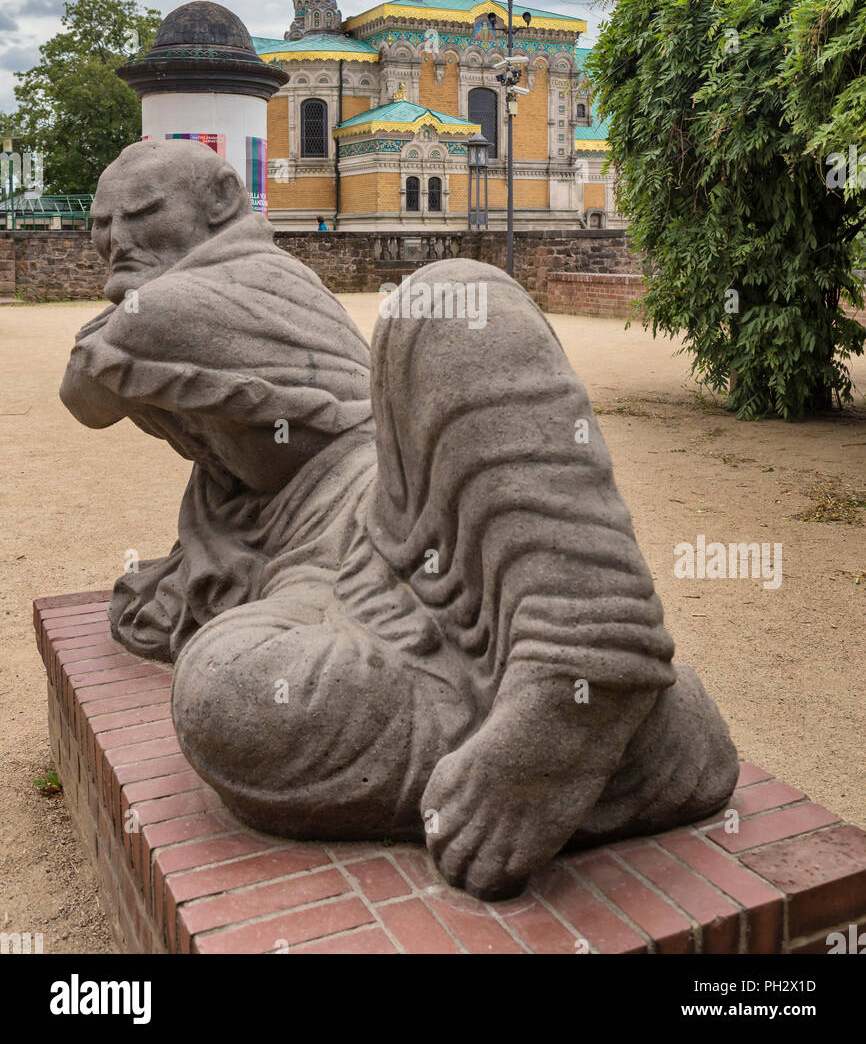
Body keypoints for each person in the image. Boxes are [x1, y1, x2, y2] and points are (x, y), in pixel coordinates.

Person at [60, 139, 739, 901]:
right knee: (224, 695)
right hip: (313, 574)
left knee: (451, 300)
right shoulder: (174, 306)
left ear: (223, 203)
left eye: (142, 214)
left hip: (389, 497)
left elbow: (86, 379)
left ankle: (585, 650)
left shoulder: (232, 286)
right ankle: (607, 739)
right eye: (100, 224)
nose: (115, 238)